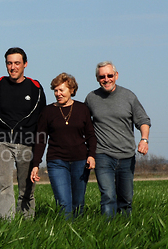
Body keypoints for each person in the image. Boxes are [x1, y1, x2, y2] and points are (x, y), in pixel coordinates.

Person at [0, 47, 46, 220]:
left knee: (27, 188)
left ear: (25, 64)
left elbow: (43, 121)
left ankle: (27, 223)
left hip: (27, 142)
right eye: (9, 63)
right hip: (2, 142)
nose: (13, 67)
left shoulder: (36, 88)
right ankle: (8, 225)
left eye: (17, 63)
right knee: (4, 186)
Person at [85, 61, 150, 218]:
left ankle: (125, 230)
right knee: (108, 196)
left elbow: (143, 120)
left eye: (109, 75)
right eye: (102, 76)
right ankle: (108, 232)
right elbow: (84, 124)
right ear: (97, 78)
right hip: (102, 154)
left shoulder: (128, 96)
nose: (106, 79)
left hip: (126, 155)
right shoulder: (91, 98)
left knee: (126, 198)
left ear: (116, 76)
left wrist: (144, 140)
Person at [30, 73, 96, 218]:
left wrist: (91, 155)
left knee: (78, 203)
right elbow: (41, 139)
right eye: (55, 90)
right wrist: (36, 164)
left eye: (61, 90)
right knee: (64, 203)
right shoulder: (48, 111)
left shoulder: (82, 109)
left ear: (71, 90)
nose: (58, 94)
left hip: (80, 161)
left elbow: (91, 135)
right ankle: (64, 233)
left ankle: (79, 232)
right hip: (57, 161)